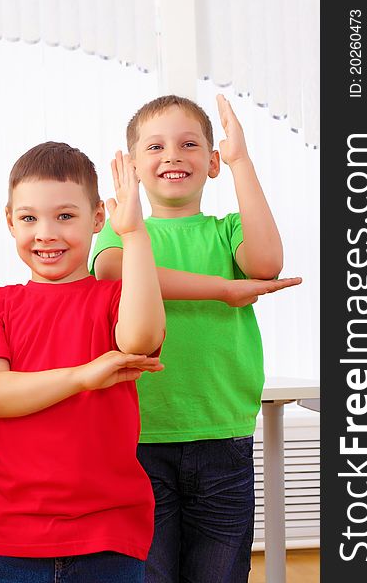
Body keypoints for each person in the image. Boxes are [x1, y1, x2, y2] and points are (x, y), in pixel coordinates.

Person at [91, 94, 302, 582]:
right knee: (151, 574)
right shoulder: (122, 233)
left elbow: (266, 263)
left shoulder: (228, 232)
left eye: (189, 145)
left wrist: (240, 161)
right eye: (156, 146)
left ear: (210, 163)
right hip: (140, 437)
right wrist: (224, 290)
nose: (172, 156)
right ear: (133, 167)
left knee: (220, 572)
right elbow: (113, 273)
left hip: (221, 436)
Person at [0, 141, 166, 582]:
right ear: (10, 222)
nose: (46, 232)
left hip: (109, 531)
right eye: (29, 218)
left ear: (98, 219)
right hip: (13, 534)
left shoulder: (115, 300)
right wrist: (84, 376)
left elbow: (140, 339)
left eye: (65, 216)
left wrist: (134, 235)